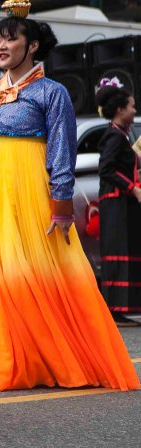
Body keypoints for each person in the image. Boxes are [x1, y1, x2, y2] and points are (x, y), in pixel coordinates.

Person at [0, 3, 139, 392]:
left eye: (11, 38)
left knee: (28, 269)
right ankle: (4, 357)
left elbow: (61, 151)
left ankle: (45, 356)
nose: (2, 45)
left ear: (32, 46)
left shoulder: (52, 92)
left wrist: (61, 205)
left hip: (27, 189)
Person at [95, 80, 141, 322]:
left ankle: (120, 308)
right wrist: (132, 188)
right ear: (120, 110)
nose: (135, 110)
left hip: (121, 206)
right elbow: (107, 170)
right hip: (115, 205)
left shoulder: (120, 135)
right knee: (117, 252)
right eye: (132, 106)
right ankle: (114, 309)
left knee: (125, 251)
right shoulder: (114, 136)